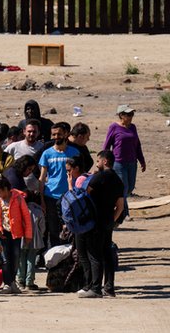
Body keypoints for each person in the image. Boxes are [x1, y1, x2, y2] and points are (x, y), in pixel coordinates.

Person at [77, 150, 125, 298]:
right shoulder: (118, 180)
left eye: (98, 161)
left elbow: (85, 196)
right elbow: (120, 206)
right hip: (107, 222)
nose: (96, 164)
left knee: (94, 255)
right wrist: (112, 220)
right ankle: (109, 289)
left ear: (104, 161)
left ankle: (95, 288)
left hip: (95, 222)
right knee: (107, 254)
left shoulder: (99, 177)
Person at [0, 176, 32, 295]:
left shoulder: (18, 199)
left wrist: (28, 234)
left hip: (16, 235)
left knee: (16, 258)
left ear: (6, 189)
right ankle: (7, 283)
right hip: (2, 235)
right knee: (5, 260)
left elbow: (26, 217)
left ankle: (12, 281)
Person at [39, 122, 80, 247]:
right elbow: (42, 178)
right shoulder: (46, 154)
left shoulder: (74, 152)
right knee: (53, 229)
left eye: (59, 134)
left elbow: (79, 175)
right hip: (51, 196)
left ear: (66, 134)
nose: (56, 137)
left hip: (69, 197)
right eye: (53, 134)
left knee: (70, 227)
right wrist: (42, 200)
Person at [103, 104, 145, 198]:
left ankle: (118, 204)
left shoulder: (133, 127)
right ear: (121, 115)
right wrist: (105, 161)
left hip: (132, 162)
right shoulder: (113, 127)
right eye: (128, 114)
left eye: (132, 114)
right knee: (123, 188)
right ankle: (123, 211)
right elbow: (106, 145)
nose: (131, 116)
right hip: (119, 163)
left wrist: (142, 160)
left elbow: (137, 145)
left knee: (130, 187)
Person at [19, 190, 46, 291]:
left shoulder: (20, 210)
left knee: (21, 260)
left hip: (21, 238)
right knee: (31, 259)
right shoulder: (38, 211)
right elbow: (42, 227)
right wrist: (40, 235)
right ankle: (29, 282)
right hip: (35, 239)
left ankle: (20, 281)